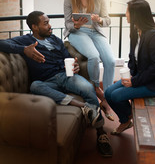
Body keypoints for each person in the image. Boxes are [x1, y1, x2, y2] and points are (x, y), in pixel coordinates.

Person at [0, 11, 113, 157]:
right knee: (35, 86)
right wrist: (24, 50)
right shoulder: (25, 41)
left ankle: (101, 133)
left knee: (87, 87)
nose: (50, 26)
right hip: (47, 82)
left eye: (49, 22)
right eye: (45, 23)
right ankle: (84, 108)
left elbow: (67, 58)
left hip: (66, 76)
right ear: (34, 27)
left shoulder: (54, 39)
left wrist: (75, 67)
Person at [64, 0, 115, 121]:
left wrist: (98, 19)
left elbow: (107, 20)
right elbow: (67, 24)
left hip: (95, 31)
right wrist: (77, 25)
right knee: (94, 56)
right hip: (77, 33)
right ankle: (96, 89)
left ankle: (108, 95)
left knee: (110, 61)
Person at [105, 0, 155, 135]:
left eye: (128, 12)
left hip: (152, 84)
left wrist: (134, 81)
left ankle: (127, 119)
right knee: (107, 93)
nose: (126, 15)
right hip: (137, 77)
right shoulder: (136, 31)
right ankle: (127, 119)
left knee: (116, 96)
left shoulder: (154, 36)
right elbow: (132, 57)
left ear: (136, 15)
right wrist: (130, 74)